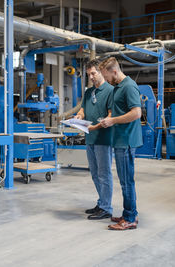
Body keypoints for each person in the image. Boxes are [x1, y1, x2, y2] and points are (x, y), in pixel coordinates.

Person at [99, 57, 143, 230]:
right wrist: (108, 120)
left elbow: (137, 113)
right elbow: (119, 111)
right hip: (120, 140)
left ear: (114, 72)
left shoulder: (129, 86)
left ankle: (130, 218)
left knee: (126, 182)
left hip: (126, 141)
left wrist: (113, 120)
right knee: (125, 180)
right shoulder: (118, 87)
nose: (106, 80)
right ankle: (128, 213)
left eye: (106, 76)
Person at [75, 59, 114, 220]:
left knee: (104, 174)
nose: (91, 77)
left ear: (101, 72)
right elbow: (83, 108)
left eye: (93, 73)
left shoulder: (110, 91)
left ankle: (106, 207)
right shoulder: (89, 92)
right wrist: (79, 116)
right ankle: (102, 202)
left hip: (103, 138)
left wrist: (96, 127)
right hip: (89, 138)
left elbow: (112, 115)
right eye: (88, 74)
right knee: (95, 174)